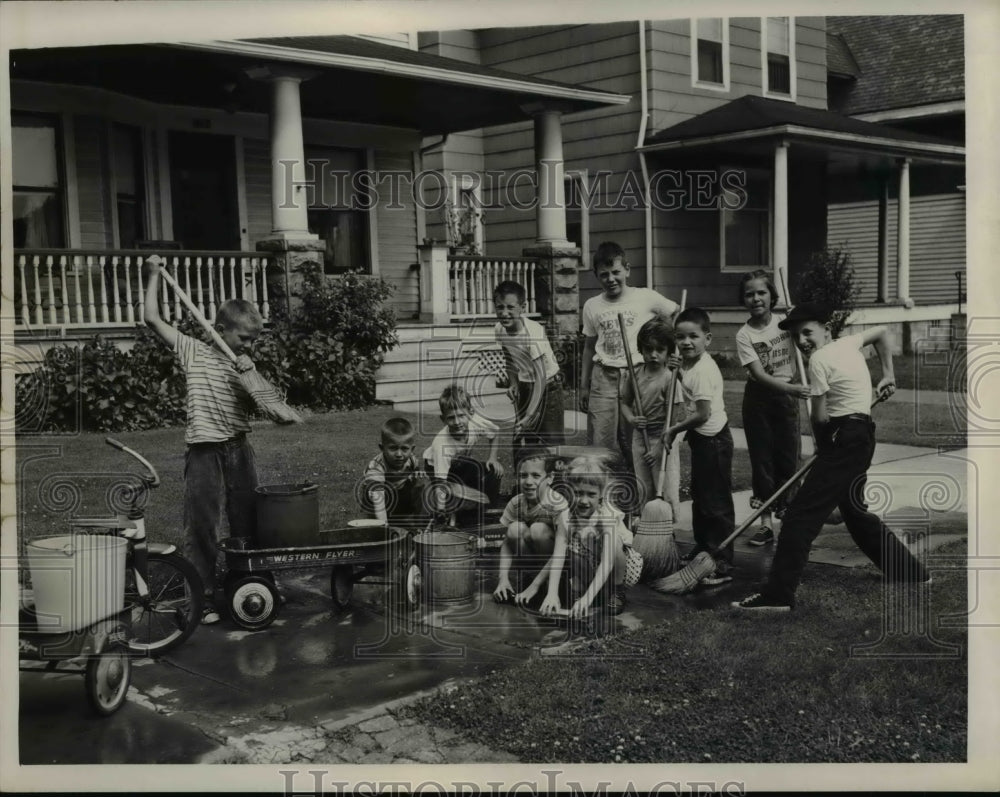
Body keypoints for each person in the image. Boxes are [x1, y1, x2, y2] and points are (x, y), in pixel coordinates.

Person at [732, 303, 929, 611]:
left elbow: (819, 417)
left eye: (807, 332)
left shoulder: (819, 360)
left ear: (826, 329)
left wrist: (823, 445)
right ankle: (911, 573)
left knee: (799, 517)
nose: (802, 341)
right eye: (796, 336)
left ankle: (778, 596)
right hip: (862, 435)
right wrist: (887, 375)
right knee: (855, 512)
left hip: (844, 437)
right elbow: (881, 333)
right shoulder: (848, 343)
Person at [141, 255, 261, 625]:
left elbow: (259, 406)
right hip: (204, 452)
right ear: (221, 330)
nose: (249, 346)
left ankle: (250, 584)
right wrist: (153, 275)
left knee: (248, 521)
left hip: (238, 449)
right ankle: (201, 597)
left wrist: (249, 376)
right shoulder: (192, 351)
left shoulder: (244, 366)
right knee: (202, 527)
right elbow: (152, 318)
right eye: (244, 339)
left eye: (254, 341)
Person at [579, 242, 679, 465]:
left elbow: (675, 312)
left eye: (616, 272)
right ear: (596, 276)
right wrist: (584, 385)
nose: (611, 279)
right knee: (600, 439)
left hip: (636, 375)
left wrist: (666, 347)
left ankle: (637, 481)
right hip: (603, 377)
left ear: (627, 269)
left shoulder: (646, 297)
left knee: (634, 435)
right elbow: (589, 346)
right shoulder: (592, 305)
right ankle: (602, 483)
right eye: (604, 274)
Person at [735, 270, 811, 546]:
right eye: (749, 294)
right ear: (743, 300)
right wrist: (792, 390)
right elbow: (759, 374)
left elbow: (807, 348)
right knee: (762, 460)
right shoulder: (744, 335)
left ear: (772, 296)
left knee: (789, 457)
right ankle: (765, 524)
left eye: (761, 292)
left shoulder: (785, 323)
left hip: (786, 398)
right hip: (759, 399)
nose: (756, 298)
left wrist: (798, 324)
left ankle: (789, 517)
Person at [662, 307, 735, 587]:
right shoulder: (689, 365)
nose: (686, 342)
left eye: (693, 336)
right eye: (680, 337)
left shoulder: (705, 370)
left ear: (708, 339)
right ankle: (704, 548)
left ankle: (722, 561)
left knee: (716, 503)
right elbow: (689, 390)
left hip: (714, 440)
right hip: (702, 439)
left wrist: (674, 430)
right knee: (701, 498)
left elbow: (702, 414)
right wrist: (677, 373)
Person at [618, 316, 681, 515]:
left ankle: (667, 528)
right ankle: (647, 525)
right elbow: (624, 403)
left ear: (669, 351)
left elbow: (673, 420)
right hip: (640, 437)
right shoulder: (634, 374)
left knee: (665, 489)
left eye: (660, 350)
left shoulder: (670, 378)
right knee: (644, 487)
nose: (653, 354)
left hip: (663, 438)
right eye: (648, 349)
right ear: (641, 349)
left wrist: (659, 447)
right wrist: (631, 419)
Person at [493, 280, 565, 450]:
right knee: (525, 438)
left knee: (551, 442)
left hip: (548, 387)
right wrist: (513, 382)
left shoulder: (532, 332)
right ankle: (527, 467)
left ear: (522, 307)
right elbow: (508, 357)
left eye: (510, 307)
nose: (504, 313)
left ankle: (555, 468)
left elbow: (541, 376)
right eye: (500, 307)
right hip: (525, 385)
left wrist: (531, 412)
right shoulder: (499, 329)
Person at [492, 454, 569, 614]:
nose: (528, 482)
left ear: (550, 478)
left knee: (538, 530)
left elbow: (561, 551)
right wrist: (503, 578)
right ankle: (529, 577)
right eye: (523, 476)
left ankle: (548, 586)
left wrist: (538, 585)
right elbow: (507, 543)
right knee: (514, 529)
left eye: (535, 475)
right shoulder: (516, 503)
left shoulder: (557, 504)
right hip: (533, 559)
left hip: (558, 564)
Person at [563, 456, 636, 617]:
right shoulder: (569, 514)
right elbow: (559, 553)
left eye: (591, 494)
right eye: (578, 493)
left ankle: (617, 591)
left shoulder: (607, 515)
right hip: (591, 561)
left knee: (615, 543)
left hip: (619, 566)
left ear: (600, 496)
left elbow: (607, 562)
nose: (584, 500)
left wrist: (587, 599)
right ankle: (584, 587)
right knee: (570, 547)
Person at [423, 384, 504, 526]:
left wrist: (492, 458)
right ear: (443, 419)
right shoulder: (442, 445)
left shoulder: (476, 422)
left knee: (492, 471)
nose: (457, 422)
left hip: (460, 462)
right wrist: (440, 511)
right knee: (455, 493)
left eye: (461, 415)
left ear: (471, 413)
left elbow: (495, 432)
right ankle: (458, 516)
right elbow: (441, 483)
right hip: (436, 467)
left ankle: (489, 513)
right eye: (451, 418)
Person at [360, 417, 427, 526]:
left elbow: (416, 476)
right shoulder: (376, 468)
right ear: (382, 447)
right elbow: (378, 500)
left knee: (422, 485)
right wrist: (384, 526)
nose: (399, 454)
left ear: (412, 449)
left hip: (397, 492)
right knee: (375, 524)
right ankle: (379, 523)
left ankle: (419, 525)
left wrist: (417, 477)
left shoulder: (411, 460)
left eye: (404, 449)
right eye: (393, 448)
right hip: (377, 498)